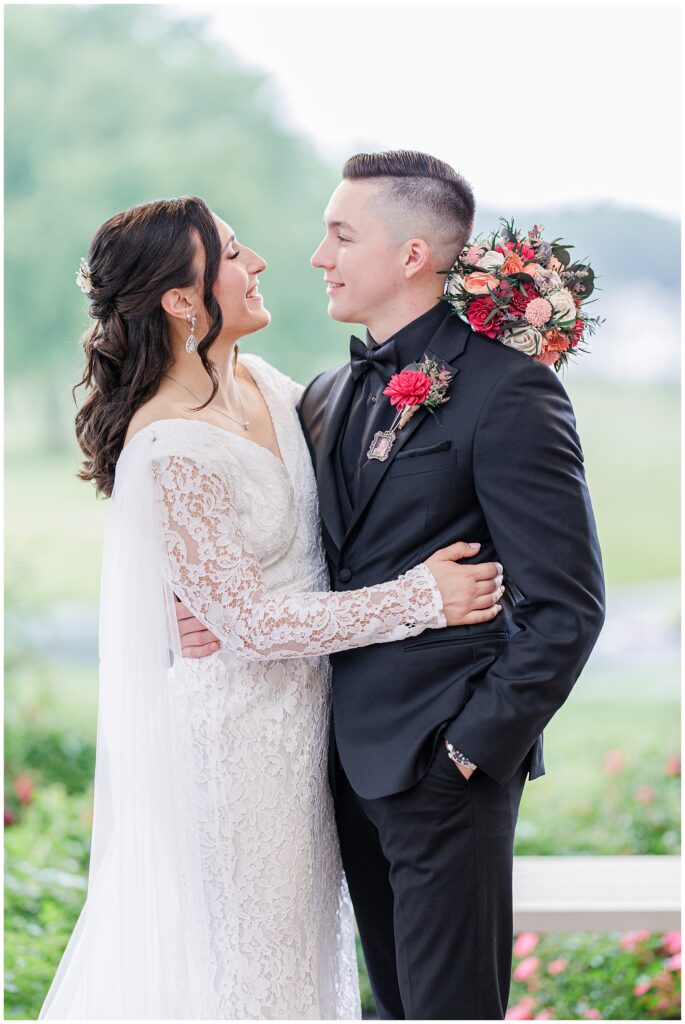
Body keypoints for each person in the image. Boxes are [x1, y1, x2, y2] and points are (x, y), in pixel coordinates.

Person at [39, 195, 505, 1020]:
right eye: (230, 252)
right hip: (233, 752)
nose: (256, 263)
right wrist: (420, 599)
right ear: (182, 300)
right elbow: (248, 624)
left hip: (311, 737)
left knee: (305, 969)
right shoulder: (167, 442)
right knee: (255, 980)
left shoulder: (265, 383)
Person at [184, 151, 606, 1019]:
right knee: (385, 1007)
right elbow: (285, 548)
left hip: (443, 768)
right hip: (327, 764)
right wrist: (201, 609)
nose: (316, 256)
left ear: (412, 255)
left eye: (340, 235)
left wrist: (468, 751)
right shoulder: (325, 393)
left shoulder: (508, 392)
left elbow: (567, 607)